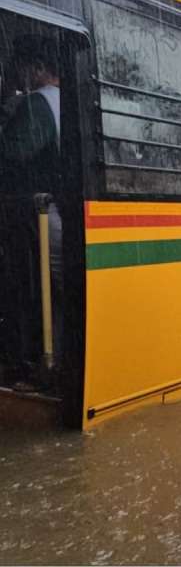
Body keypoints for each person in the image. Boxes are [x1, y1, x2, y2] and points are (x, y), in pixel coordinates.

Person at [0, 34, 62, 391]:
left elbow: (10, 156)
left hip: (40, 215)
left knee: (29, 287)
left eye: (22, 68)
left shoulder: (38, 104)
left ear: (37, 68)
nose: (19, 77)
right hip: (63, 212)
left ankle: (30, 364)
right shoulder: (65, 100)